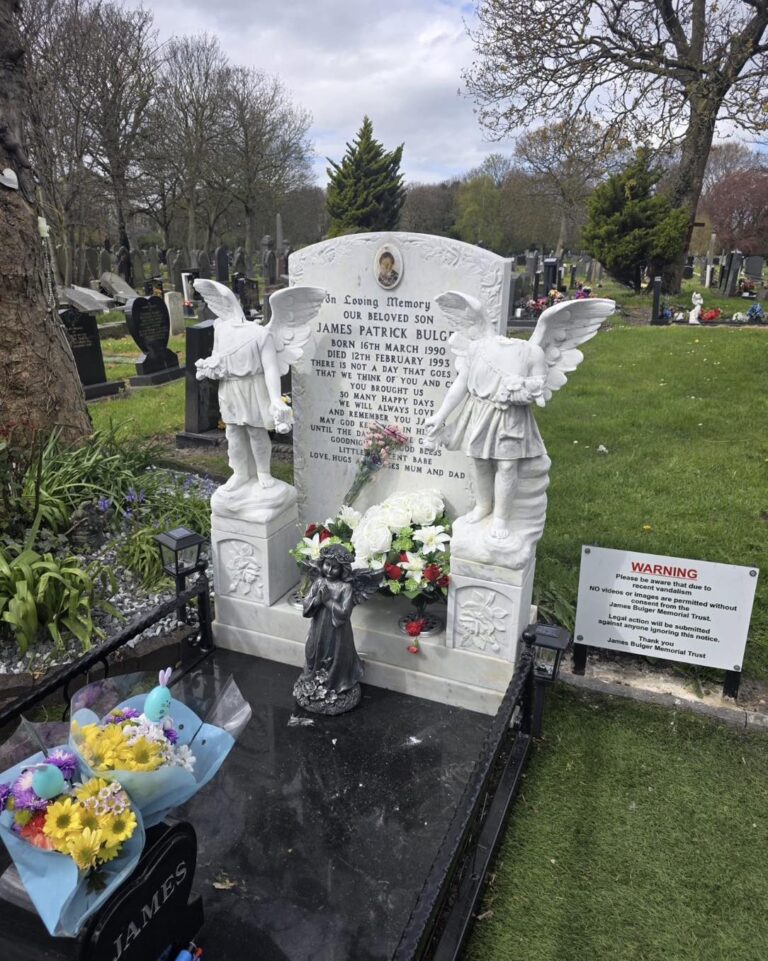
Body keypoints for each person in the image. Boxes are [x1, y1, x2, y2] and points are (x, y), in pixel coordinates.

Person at [424, 334, 548, 542]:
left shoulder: (532, 352)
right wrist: (441, 415)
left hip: (510, 417)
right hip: (479, 412)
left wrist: (518, 388)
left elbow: (538, 391)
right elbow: (461, 384)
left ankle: (501, 517)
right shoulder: (476, 348)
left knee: (507, 466)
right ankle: (483, 505)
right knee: (479, 462)